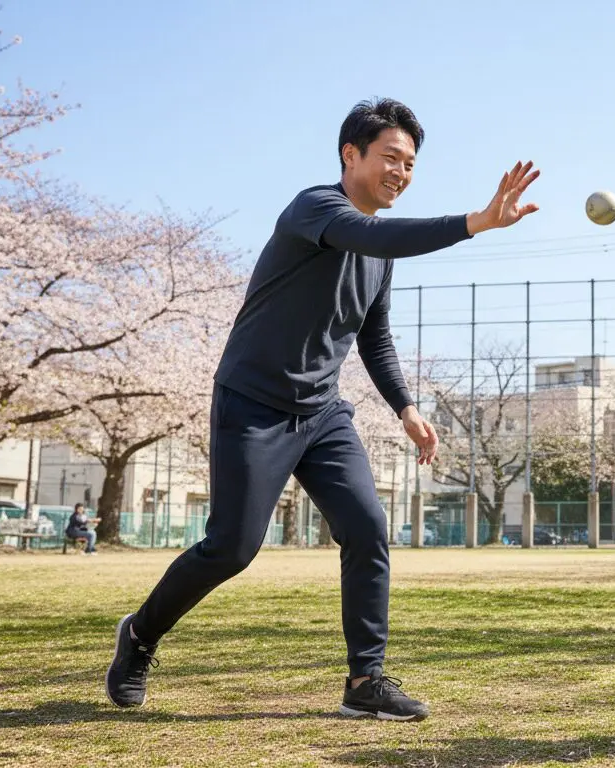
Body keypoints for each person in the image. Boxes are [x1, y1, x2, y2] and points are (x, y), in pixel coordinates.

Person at [105, 98, 540, 721]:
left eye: (411, 163)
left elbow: (374, 335)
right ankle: (140, 636)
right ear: (350, 155)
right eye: (390, 157)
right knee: (231, 548)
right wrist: (475, 221)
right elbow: (371, 232)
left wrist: (406, 407)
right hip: (254, 403)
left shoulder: (380, 253)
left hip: (324, 413)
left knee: (367, 529)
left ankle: (366, 682)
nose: (401, 171)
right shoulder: (315, 209)